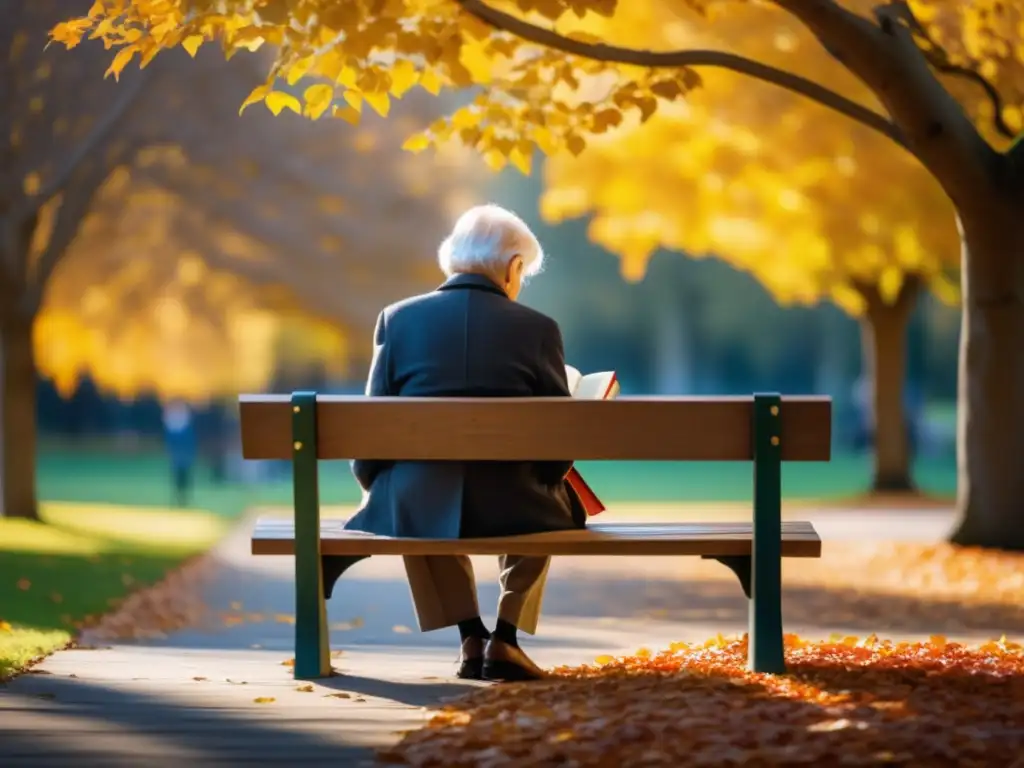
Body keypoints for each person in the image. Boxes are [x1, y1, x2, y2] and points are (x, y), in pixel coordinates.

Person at [345, 204, 585, 683]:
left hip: (420, 502)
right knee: (557, 499)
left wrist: (377, 483)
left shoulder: (397, 320)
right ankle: (507, 638)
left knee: (408, 497)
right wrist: (548, 476)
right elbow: (560, 441)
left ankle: (470, 635)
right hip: (515, 505)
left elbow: (370, 430)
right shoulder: (538, 329)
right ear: (513, 267)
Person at [162, 399, 197, 507]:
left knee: (185, 478)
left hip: (184, 454)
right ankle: (179, 497)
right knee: (177, 477)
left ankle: (183, 498)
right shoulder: (173, 424)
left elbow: (190, 440)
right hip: (178, 454)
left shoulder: (184, 424)